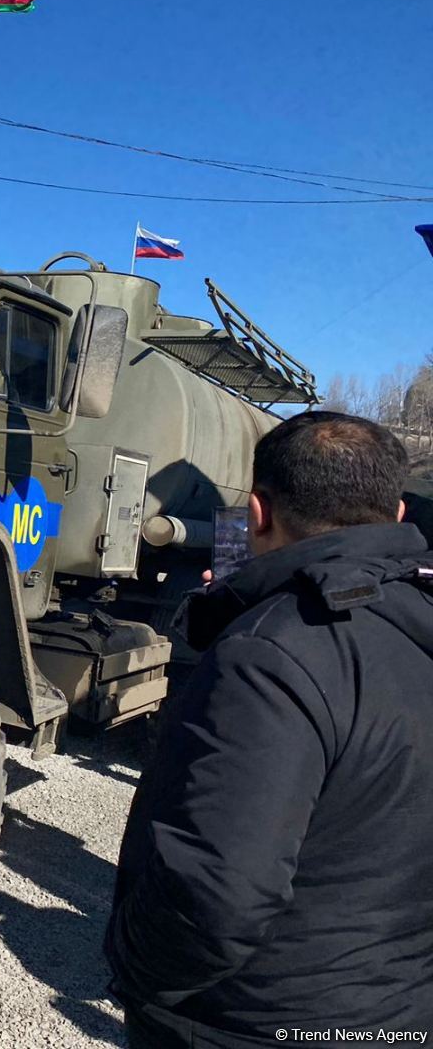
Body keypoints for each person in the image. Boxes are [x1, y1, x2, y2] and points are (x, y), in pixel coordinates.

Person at [105, 411, 433, 1048]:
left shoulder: (270, 654)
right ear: (396, 515)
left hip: (253, 1021)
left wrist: (133, 969)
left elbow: (217, 896)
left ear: (257, 512)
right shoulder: (415, 621)